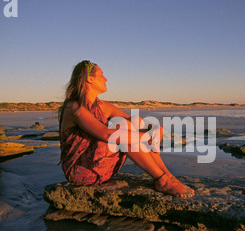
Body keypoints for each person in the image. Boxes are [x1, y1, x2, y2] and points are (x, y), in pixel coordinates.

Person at [58, 60, 194, 198]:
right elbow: (106, 135)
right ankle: (162, 179)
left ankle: (168, 176)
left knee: (133, 122)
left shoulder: (102, 105)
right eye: (101, 75)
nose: (106, 79)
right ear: (90, 79)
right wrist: (147, 137)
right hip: (81, 172)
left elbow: (134, 121)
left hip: (102, 166)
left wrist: (154, 128)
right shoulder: (75, 108)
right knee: (123, 128)